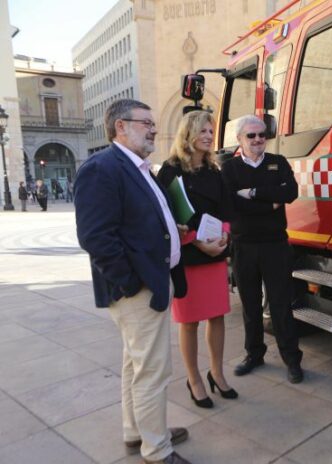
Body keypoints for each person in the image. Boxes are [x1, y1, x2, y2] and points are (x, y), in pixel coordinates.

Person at [74, 99, 193, 464]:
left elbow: (137, 220)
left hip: (150, 279)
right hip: (139, 289)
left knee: (135, 364)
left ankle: (137, 432)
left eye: (153, 123)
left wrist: (171, 231)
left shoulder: (137, 167)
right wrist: (130, 283)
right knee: (153, 370)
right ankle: (157, 450)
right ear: (120, 127)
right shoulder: (102, 168)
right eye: (146, 123)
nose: (154, 129)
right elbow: (96, 237)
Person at [157, 110, 237, 409]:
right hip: (188, 255)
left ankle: (217, 373)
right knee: (189, 322)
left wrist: (224, 236)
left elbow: (226, 211)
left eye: (210, 131)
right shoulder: (170, 171)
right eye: (202, 130)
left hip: (215, 253)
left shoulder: (215, 171)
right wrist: (197, 242)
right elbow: (166, 218)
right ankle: (194, 380)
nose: (208, 136)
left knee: (217, 316)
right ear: (188, 133)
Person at [220, 115, 304, 384]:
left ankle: (292, 359)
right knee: (250, 305)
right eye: (251, 135)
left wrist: (253, 193)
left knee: (281, 305)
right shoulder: (229, 169)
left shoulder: (278, 162)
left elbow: (290, 192)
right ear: (239, 139)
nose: (258, 139)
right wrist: (270, 203)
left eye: (262, 135)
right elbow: (231, 204)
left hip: (275, 245)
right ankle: (254, 354)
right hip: (243, 246)